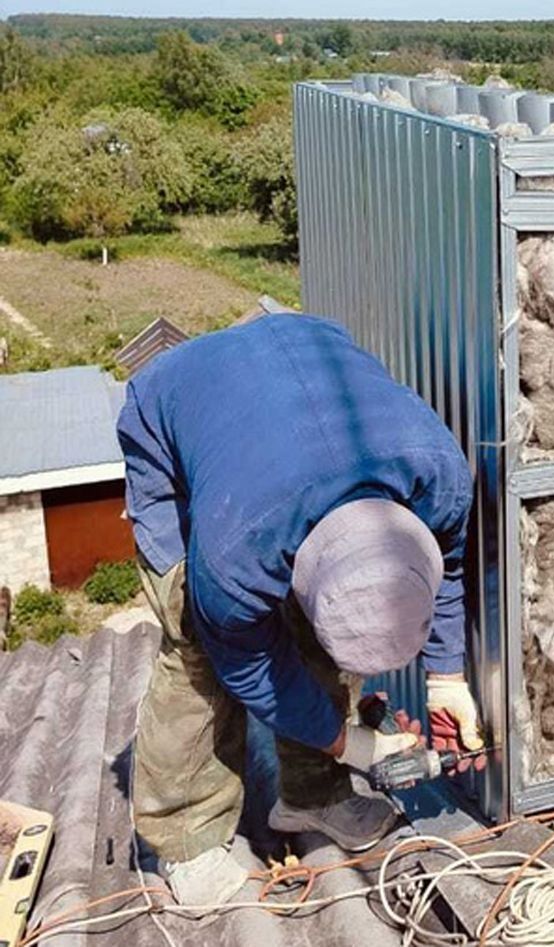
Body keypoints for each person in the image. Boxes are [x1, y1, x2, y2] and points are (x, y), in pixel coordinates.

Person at [117, 313, 483, 905]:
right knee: (197, 653)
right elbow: (248, 666)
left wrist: (446, 678)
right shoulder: (234, 554)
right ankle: (186, 836)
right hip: (175, 404)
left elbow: (450, 564)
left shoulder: (439, 478)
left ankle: (313, 796)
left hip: (303, 350)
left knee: (312, 643)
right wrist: (348, 743)